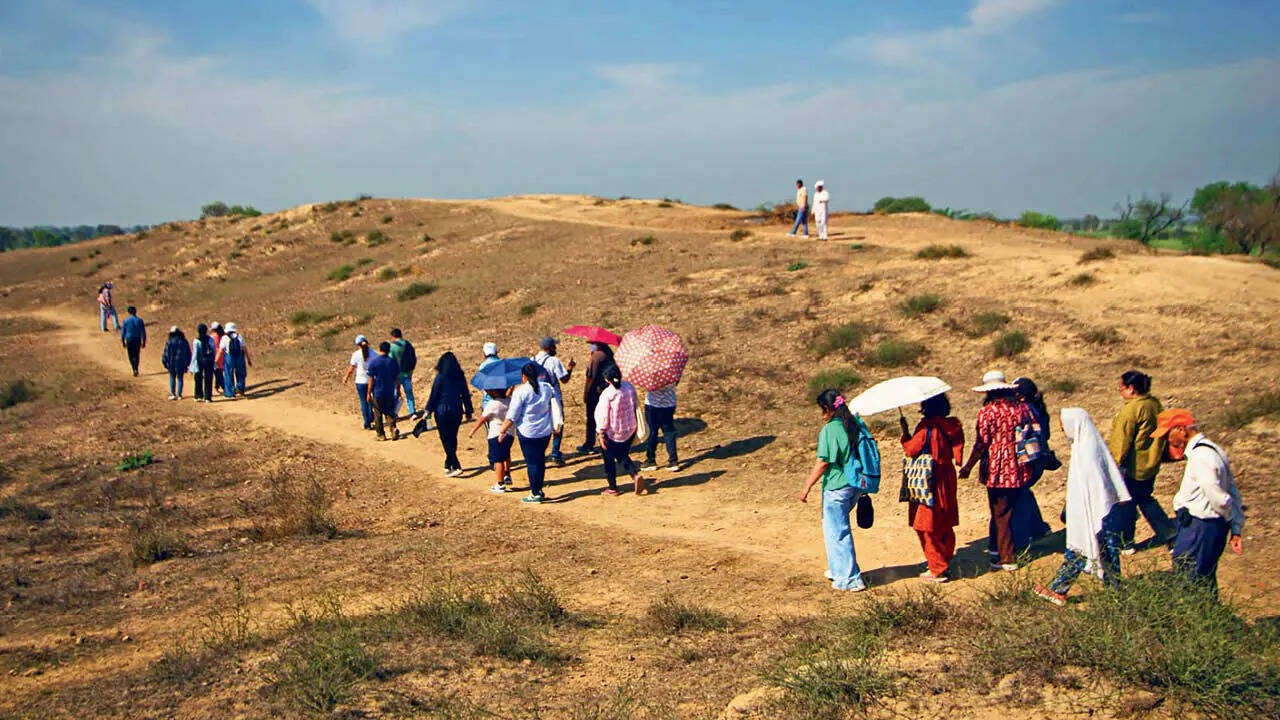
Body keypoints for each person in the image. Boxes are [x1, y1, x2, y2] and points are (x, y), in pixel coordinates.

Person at [1035, 408, 1131, 606]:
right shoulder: (1086, 446)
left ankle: (1059, 589)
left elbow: (1095, 486)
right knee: (1103, 551)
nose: (1063, 430)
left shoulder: (1087, 452)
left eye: (1064, 426)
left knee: (1084, 548)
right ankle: (1115, 592)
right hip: (1101, 511)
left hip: (1097, 512)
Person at [1152, 409, 1246, 592]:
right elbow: (1232, 490)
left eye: (1167, 435)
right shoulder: (1210, 449)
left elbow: (1220, 497)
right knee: (1202, 581)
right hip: (1199, 527)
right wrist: (1235, 526)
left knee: (1190, 583)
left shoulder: (1202, 456)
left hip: (1201, 528)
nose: (1166, 441)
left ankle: (1198, 619)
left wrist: (1232, 522)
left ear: (1181, 429)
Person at [959, 371, 1034, 571]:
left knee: (1000, 513)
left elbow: (981, 444)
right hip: (1018, 463)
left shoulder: (988, 412)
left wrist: (968, 466)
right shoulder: (1020, 408)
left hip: (998, 466)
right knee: (1010, 509)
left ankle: (1006, 558)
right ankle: (1007, 550)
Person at [799, 389, 866, 592]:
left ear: (827, 409)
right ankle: (839, 570)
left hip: (836, 487)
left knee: (837, 532)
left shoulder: (830, 430)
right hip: (854, 485)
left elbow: (823, 463)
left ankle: (850, 579)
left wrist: (806, 487)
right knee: (837, 529)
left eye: (822, 409)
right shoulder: (854, 424)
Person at [1107, 370, 1174, 553]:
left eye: (1121, 388)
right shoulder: (1154, 404)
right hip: (1151, 463)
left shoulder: (1131, 410)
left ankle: (1126, 542)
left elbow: (1121, 442)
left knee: (1127, 504)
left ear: (1130, 389)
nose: (1120, 392)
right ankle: (1169, 534)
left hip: (1134, 467)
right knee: (1145, 499)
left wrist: (1113, 466)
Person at [899, 393, 965, 582]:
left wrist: (905, 436)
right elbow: (957, 454)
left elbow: (911, 449)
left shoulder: (926, 426)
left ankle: (937, 567)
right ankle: (945, 557)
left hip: (929, 479)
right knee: (944, 521)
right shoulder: (953, 425)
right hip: (947, 477)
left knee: (926, 524)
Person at [1001, 377, 1054, 557]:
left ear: (1020, 396)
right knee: (1025, 493)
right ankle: (1039, 528)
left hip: (1028, 461)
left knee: (1019, 500)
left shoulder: (1023, 411)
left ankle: (1022, 543)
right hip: (1037, 460)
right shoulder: (1038, 409)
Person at [499, 362, 560, 503]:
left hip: (528, 432)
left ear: (524, 376)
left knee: (532, 463)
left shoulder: (521, 392)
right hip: (544, 431)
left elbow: (512, 415)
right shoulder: (546, 388)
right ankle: (538, 489)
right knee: (539, 461)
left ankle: (535, 492)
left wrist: (502, 430)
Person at [594, 364, 646, 496]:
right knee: (622, 455)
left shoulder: (608, 394)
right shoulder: (629, 387)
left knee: (610, 460)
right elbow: (634, 404)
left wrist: (600, 433)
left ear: (607, 379)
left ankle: (613, 487)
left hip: (613, 432)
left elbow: (603, 416)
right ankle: (634, 475)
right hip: (629, 429)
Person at [424, 351, 474, 477]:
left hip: (442, 411)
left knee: (445, 438)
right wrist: (468, 410)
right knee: (452, 437)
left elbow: (434, 395)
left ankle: (456, 465)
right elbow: (465, 394)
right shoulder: (460, 375)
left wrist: (428, 410)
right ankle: (448, 463)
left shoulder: (440, 377)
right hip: (456, 410)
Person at [534, 336, 574, 466]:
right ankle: (555, 453)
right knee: (558, 424)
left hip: (537, 398)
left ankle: (539, 452)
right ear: (548, 348)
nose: (555, 348)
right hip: (553, 397)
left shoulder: (532, 360)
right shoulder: (553, 361)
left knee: (541, 425)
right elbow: (564, 379)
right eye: (553, 346)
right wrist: (570, 369)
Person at [469, 387, 513, 493]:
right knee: (506, 455)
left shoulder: (493, 403)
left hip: (496, 434)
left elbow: (483, 419)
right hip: (510, 433)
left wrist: (473, 431)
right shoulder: (510, 401)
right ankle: (507, 474)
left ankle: (500, 483)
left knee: (497, 460)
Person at [579, 341, 614, 455]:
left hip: (595, 392)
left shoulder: (596, 357)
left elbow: (590, 378)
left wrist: (586, 393)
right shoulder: (608, 354)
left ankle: (589, 444)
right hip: (607, 391)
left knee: (591, 418)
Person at [365, 342, 402, 441]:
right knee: (390, 412)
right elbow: (397, 378)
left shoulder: (374, 362)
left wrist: (368, 393)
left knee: (378, 413)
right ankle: (393, 429)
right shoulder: (392, 362)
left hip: (378, 392)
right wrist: (398, 390)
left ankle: (381, 435)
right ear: (389, 350)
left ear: (380, 349)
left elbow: (371, 379)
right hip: (390, 391)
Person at [641, 382, 680, 472]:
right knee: (669, 431)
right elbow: (676, 383)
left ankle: (650, 460)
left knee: (652, 432)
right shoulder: (672, 371)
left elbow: (647, 385)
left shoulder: (650, 373)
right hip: (669, 403)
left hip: (652, 404)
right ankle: (673, 460)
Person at [342, 335, 375, 429]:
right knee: (370, 400)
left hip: (360, 381)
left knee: (363, 402)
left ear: (358, 345)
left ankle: (367, 423)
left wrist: (346, 378)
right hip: (371, 380)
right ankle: (371, 416)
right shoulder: (373, 353)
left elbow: (351, 368)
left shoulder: (356, 355)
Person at [217, 323, 252, 398]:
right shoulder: (239, 336)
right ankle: (240, 389)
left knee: (228, 374)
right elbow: (244, 348)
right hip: (240, 357)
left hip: (229, 357)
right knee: (241, 373)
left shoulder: (224, 338)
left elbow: (220, 350)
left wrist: (216, 361)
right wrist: (248, 359)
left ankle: (230, 393)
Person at [388, 328, 418, 415]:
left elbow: (390, 361)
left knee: (394, 394)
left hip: (396, 375)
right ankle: (412, 412)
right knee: (409, 393)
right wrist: (411, 371)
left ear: (393, 336)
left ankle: (394, 413)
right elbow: (414, 358)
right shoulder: (408, 344)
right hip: (407, 373)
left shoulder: (392, 347)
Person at [161, 326, 191, 401]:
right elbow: (188, 353)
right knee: (180, 378)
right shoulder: (184, 341)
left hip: (171, 363)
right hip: (181, 363)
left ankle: (172, 394)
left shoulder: (169, 341)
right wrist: (187, 363)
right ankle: (179, 394)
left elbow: (166, 353)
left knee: (172, 377)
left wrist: (165, 362)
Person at [189, 323, 216, 403]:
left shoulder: (196, 340)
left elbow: (195, 354)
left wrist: (192, 366)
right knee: (208, 379)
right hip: (209, 361)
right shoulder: (210, 339)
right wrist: (213, 361)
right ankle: (208, 397)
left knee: (198, 378)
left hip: (199, 361)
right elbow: (213, 351)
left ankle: (198, 396)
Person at [120, 305, 146, 376]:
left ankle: (133, 368)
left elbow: (123, 332)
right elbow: (143, 332)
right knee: (137, 355)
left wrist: (122, 341)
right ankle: (136, 368)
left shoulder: (126, 321)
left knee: (130, 355)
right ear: (135, 312)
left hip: (129, 339)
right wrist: (144, 342)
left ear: (128, 312)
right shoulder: (140, 320)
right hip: (137, 339)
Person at [210, 322, 226, 395]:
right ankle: (217, 386)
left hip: (215, 356)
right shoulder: (222, 335)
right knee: (219, 372)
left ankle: (223, 387)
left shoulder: (213, 337)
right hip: (222, 356)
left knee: (217, 373)